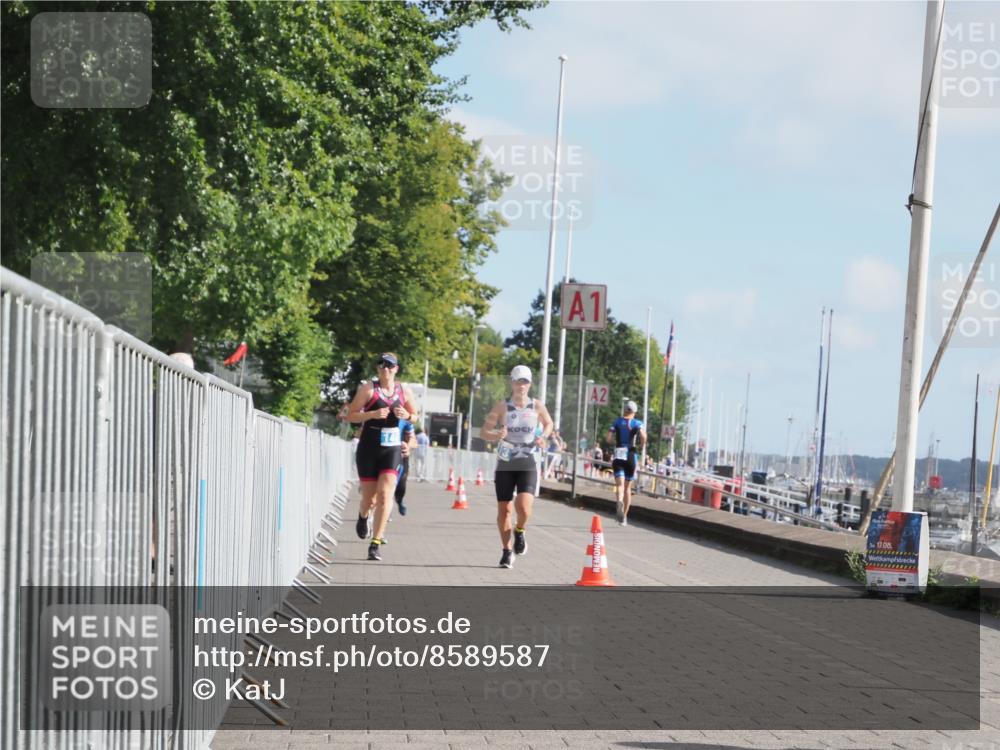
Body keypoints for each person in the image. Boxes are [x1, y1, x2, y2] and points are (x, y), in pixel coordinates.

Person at [345, 353, 419, 561]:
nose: (385, 368)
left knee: (385, 495)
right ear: (377, 368)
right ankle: (363, 516)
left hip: (391, 448)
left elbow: (415, 416)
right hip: (369, 447)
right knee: (369, 499)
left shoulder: (404, 391)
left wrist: (407, 416)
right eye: (381, 365)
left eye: (389, 365)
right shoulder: (368, 389)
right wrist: (372, 415)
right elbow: (351, 415)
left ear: (396, 369)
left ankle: (375, 543)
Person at [480, 365, 553, 569]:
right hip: (506, 462)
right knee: (504, 510)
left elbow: (549, 424)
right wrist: (496, 435)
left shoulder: (537, 406)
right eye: (518, 381)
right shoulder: (501, 407)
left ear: (530, 384)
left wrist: (543, 436)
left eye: (525, 382)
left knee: (523, 507)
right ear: (511, 382)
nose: (521, 385)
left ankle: (520, 530)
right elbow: (484, 432)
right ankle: (506, 551)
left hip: (527, 461)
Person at [606, 400, 647, 526]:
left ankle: (619, 501)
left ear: (625, 410)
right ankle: (624, 517)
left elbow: (608, 438)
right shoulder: (637, 423)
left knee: (619, 485)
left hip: (619, 453)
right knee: (627, 488)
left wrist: (614, 443)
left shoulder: (617, 421)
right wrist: (642, 445)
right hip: (630, 454)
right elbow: (643, 436)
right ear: (634, 412)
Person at [394, 419, 417, 515]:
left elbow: (414, 441)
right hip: (382, 453)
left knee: (401, 484)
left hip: (402, 455)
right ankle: (385, 509)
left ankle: (399, 500)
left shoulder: (405, 417)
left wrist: (408, 446)